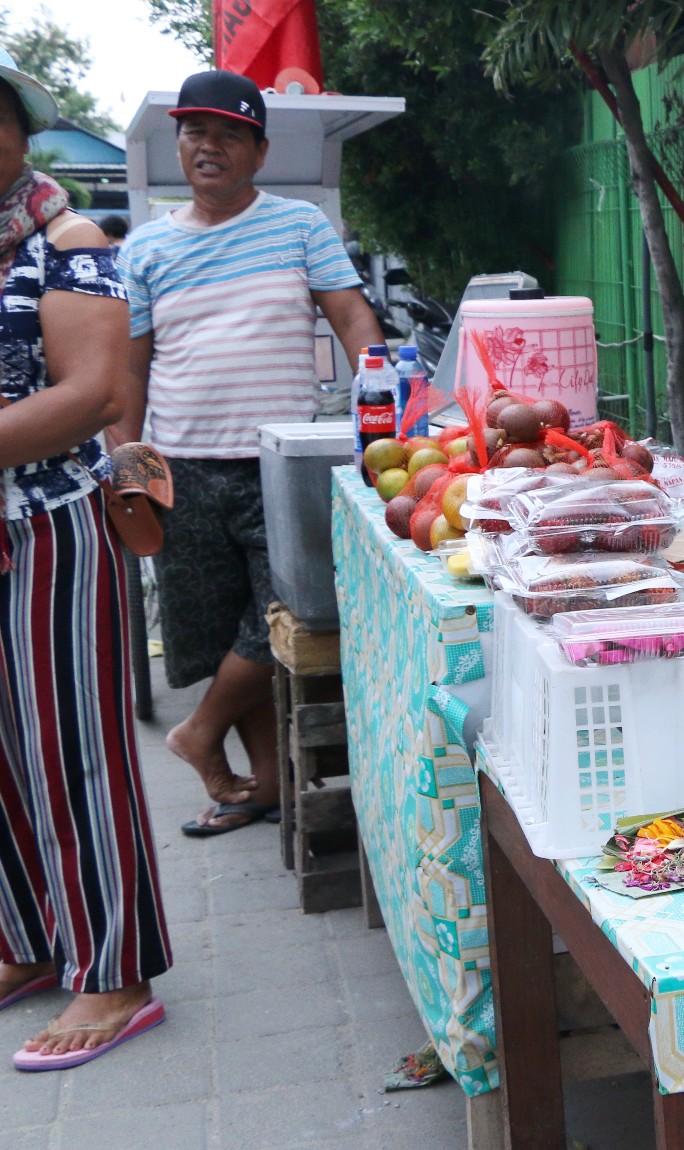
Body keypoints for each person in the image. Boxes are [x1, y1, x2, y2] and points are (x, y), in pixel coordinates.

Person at [116, 71, 381, 836]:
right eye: (195, 132)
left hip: (279, 466)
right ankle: (264, 785)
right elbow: (130, 368)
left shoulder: (298, 226)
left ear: (259, 151)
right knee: (214, 629)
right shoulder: (146, 249)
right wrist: (128, 472)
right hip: (181, 467)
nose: (209, 146)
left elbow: (353, 319)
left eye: (229, 133)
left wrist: (383, 411)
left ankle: (196, 735)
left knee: (281, 619)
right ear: (179, 146)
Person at [0, 49, 172, 1070]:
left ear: (20, 132)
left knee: (73, 750)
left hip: (58, 529)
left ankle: (114, 971)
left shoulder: (69, 241)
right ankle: (26, 939)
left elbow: (96, 393)